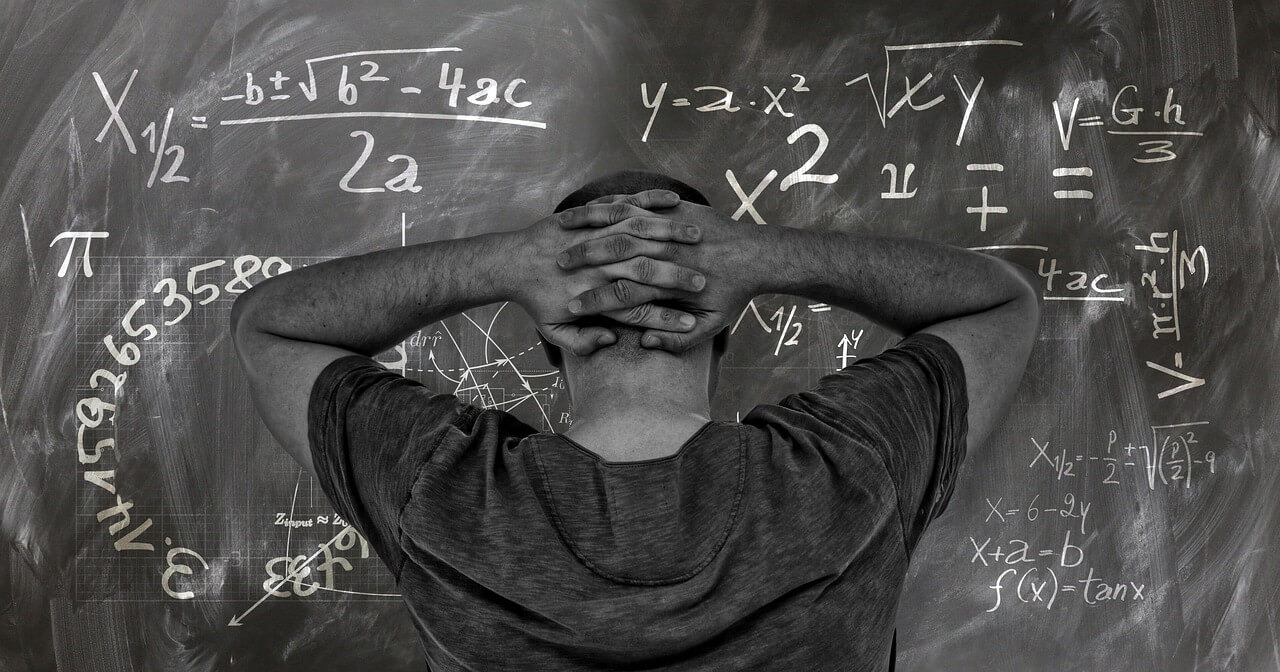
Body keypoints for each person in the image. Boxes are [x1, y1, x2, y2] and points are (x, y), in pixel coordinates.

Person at [230, 169, 1041, 670]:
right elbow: (999, 304)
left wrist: (505, 263)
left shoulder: (439, 489)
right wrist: (767, 256)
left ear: (549, 339)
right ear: (723, 328)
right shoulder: (847, 469)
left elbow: (270, 325)